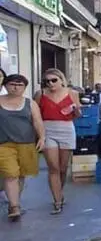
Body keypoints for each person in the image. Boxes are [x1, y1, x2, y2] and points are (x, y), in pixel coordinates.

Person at [0, 74, 45, 221]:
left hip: (26, 143)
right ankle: (15, 207)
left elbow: (37, 121)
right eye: (12, 84)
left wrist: (42, 138)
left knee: (21, 174)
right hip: (4, 144)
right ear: (5, 86)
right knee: (10, 173)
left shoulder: (30, 103)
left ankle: (15, 202)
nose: (15, 87)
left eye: (20, 85)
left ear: (24, 88)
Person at [35, 69, 80, 215]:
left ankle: (59, 192)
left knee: (62, 168)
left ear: (61, 80)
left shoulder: (72, 93)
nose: (50, 83)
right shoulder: (40, 94)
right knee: (53, 167)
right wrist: (38, 134)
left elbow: (78, 115)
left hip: (66, 129)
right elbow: (35, 115)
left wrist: (74, 109)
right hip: (47, 129)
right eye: (47, 81)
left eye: (54, 80)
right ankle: (57, 201)